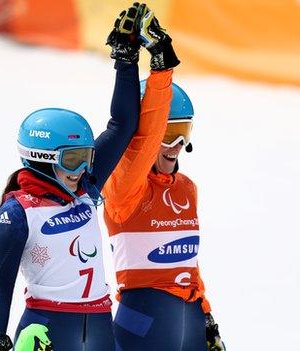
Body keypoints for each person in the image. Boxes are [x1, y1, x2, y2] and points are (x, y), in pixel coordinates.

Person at [0, 4, 152, 350]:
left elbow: (123, 126)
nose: (83, 170)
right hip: (47, 326)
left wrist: (126, 59)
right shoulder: (17, 214)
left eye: (87, 158)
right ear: (42, 160)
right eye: (72, 160)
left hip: (100, 325)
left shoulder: (85, 188)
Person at [102, 7, 226, 351]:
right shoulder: (125, 189)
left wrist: (208, 318)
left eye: (181, 133)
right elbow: (142, 142)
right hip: (144, 324)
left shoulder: (187, 188)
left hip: (190, 321)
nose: (173, 146)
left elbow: (188, 263)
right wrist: (161, 69)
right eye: (165, 134)